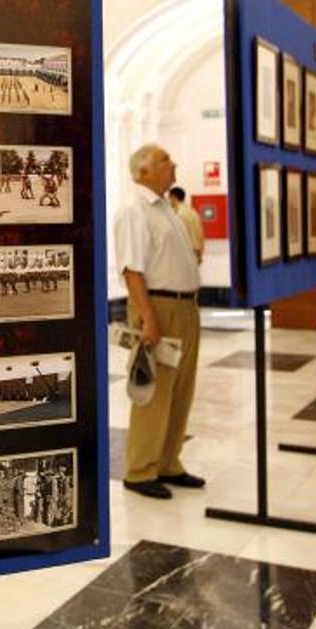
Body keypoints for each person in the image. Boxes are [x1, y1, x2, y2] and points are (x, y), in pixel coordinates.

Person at [113, 144, 204, 500]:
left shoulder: (165, 208)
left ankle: (168, 462)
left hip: (184, 308)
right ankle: (140, 469)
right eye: (166, 159)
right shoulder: (134, 210)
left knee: (181, 388)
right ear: (143, 171)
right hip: (159, 309)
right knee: (154, 392)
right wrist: (148, 318)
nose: (174, 163)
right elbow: (132, 270)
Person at [168, 187, 205, 264]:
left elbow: (180, 237)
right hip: (195, 252)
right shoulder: (192, 212)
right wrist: (200, 254)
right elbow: (200, 234)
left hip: (185, 254)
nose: (168, 201)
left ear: (173, 197)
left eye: (169, 198)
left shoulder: (179, 215)